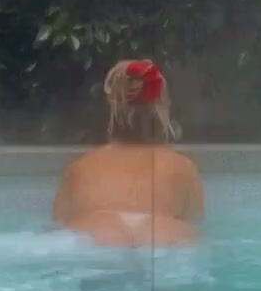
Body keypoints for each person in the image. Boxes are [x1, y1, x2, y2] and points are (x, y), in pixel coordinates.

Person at [52, 59, 204, 248]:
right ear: (162, 108)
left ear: (110, 108)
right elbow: (195, 220)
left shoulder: (79, 167)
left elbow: (58, 223)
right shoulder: (183, 167)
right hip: (161, 234)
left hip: (96, 234)